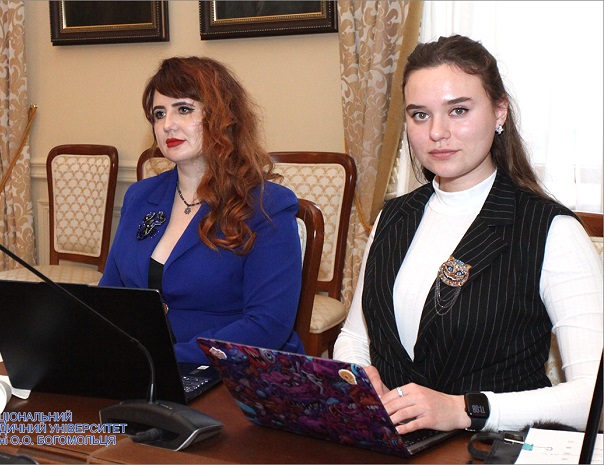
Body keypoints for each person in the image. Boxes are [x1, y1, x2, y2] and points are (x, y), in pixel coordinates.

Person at [334, 35, 603, 434]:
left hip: (492, 447)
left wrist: (465, 409)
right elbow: (356, 337)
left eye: (458, 110)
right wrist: (359, 376)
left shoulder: (552, 231)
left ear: (499, 112)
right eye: (420, 115)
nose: (436, 132)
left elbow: (594, 398)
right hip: (393, 443)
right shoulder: (393, 216)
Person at [99, 56, 305, 365]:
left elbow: (267, 326)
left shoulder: (267, 205)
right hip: (145, 367)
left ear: (222, 116)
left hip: (233, 371)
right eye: (159, 114)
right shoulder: (140, 196)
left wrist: (165, 359)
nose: (167, 124)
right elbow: (110, 299)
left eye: (183, 109)